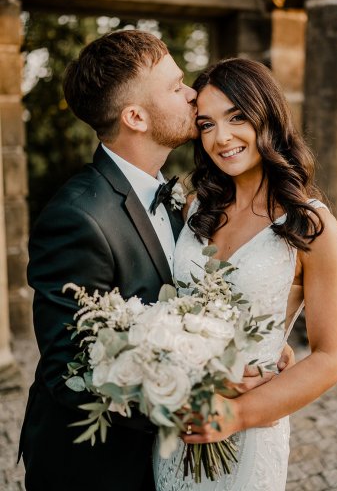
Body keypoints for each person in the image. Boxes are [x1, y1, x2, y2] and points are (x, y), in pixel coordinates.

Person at [18, 32, 293, 491]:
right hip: (102, 470)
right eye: (175, 86)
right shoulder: (76, 217)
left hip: (170, 461)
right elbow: (69, 372)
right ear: (135, 117)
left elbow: (184, 298)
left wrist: (238, 346)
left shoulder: (181, 197)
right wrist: (204, 388)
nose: (192, 94)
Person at [153, 58, 337, 490]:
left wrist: (236, 414)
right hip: (179, 421)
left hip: (251, 428)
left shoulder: (310, 226)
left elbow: (331, 356)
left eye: (237, 117)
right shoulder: (193, 209)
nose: (221, 138)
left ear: (268, 115)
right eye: (206, 124)